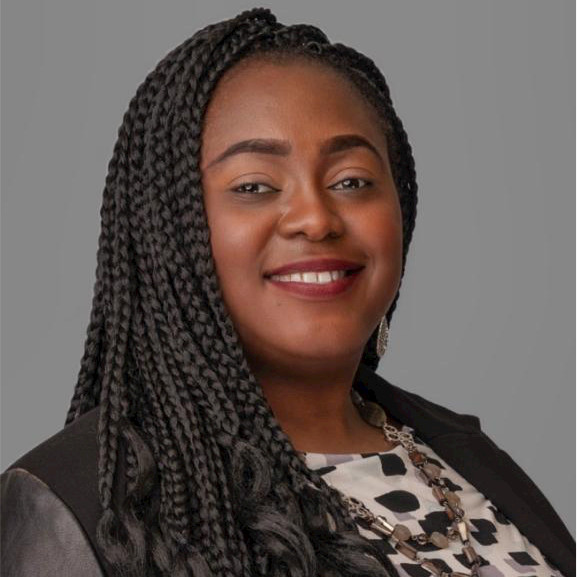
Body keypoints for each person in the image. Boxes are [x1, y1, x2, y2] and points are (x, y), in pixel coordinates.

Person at [1, 7, 574, 577]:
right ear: (164, 228)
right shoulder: (79, 507)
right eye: (254, 186)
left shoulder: (463, 453)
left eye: (351, 180)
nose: (316, 219)